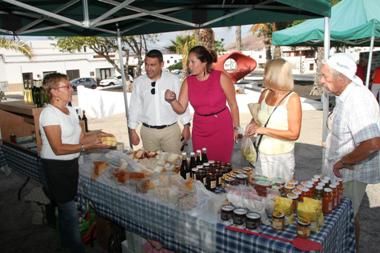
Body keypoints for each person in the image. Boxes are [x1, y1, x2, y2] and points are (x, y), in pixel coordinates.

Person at [39, 73, 111, 253]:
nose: (71, 89)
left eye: (70, 86)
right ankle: (76, 248)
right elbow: (58, 148)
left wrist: (98, 135)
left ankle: (65, 242)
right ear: (54, 92)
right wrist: (86, 147)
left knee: (66, 209)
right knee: (69, 211)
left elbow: (81, 137)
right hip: (56, 167)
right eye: (67, 87)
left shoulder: (70, 110)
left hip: (71, 165)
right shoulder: (49, 114)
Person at [320, 53, 380, 248]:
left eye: (325, 77)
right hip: (344, 171)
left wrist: (345, 161)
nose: (321, 81)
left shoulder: (358, 100)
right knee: (347, 218)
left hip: (351, 173)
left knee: (342, 219)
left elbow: (372, 142)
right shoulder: (345, 93)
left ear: (342, 78)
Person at [165, 45, 240, 163]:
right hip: (200, 130)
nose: (189, 65)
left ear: (204, 62)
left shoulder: (221, 77)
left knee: (221, 166)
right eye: (189, 62)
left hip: (222, 127)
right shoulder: (188, 82)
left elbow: (233, 104)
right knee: (202, 165)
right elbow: (180, 109)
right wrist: (172, 100)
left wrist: (236, 127)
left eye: (192, 62)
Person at [245, 58, 302, 181]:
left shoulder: (292, 98)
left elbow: (294, 134)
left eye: (266, 73)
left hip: (281, 158)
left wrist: (262, 130)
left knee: (278, 197)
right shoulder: (265, 93)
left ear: (274, 75)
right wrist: (251, 125)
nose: (263, 76)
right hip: (261, 154)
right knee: (261, 193)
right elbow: (257, 118)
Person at [128, 49, 191, 154]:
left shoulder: (173, 80)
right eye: (146, 64)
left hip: (171, 131)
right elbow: (134, 107)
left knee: (175, 164)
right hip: (148, 133)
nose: (148, 68)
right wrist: (132, 130)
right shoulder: (139, 82)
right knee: (151, 166)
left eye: (152, 65)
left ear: (162, 64)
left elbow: (182, 104)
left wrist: (186, 126)